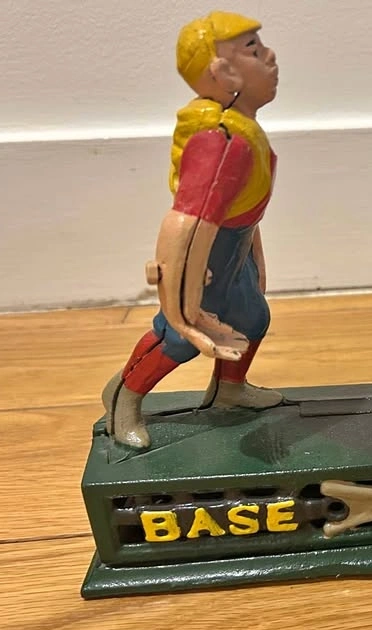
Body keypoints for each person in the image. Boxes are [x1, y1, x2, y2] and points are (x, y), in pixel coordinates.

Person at [102, 11, 283, 449]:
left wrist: (254, 255)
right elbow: (183, 221)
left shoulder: (243, 130)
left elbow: (241, 208)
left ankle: (228, 391)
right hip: (204, 264)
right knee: (179, 340)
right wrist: (180, 302)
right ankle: (122, 398)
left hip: (234, 251)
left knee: (253, 319)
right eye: (253, 50)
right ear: (222, 72)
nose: (270, 56)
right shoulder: (220, 141)